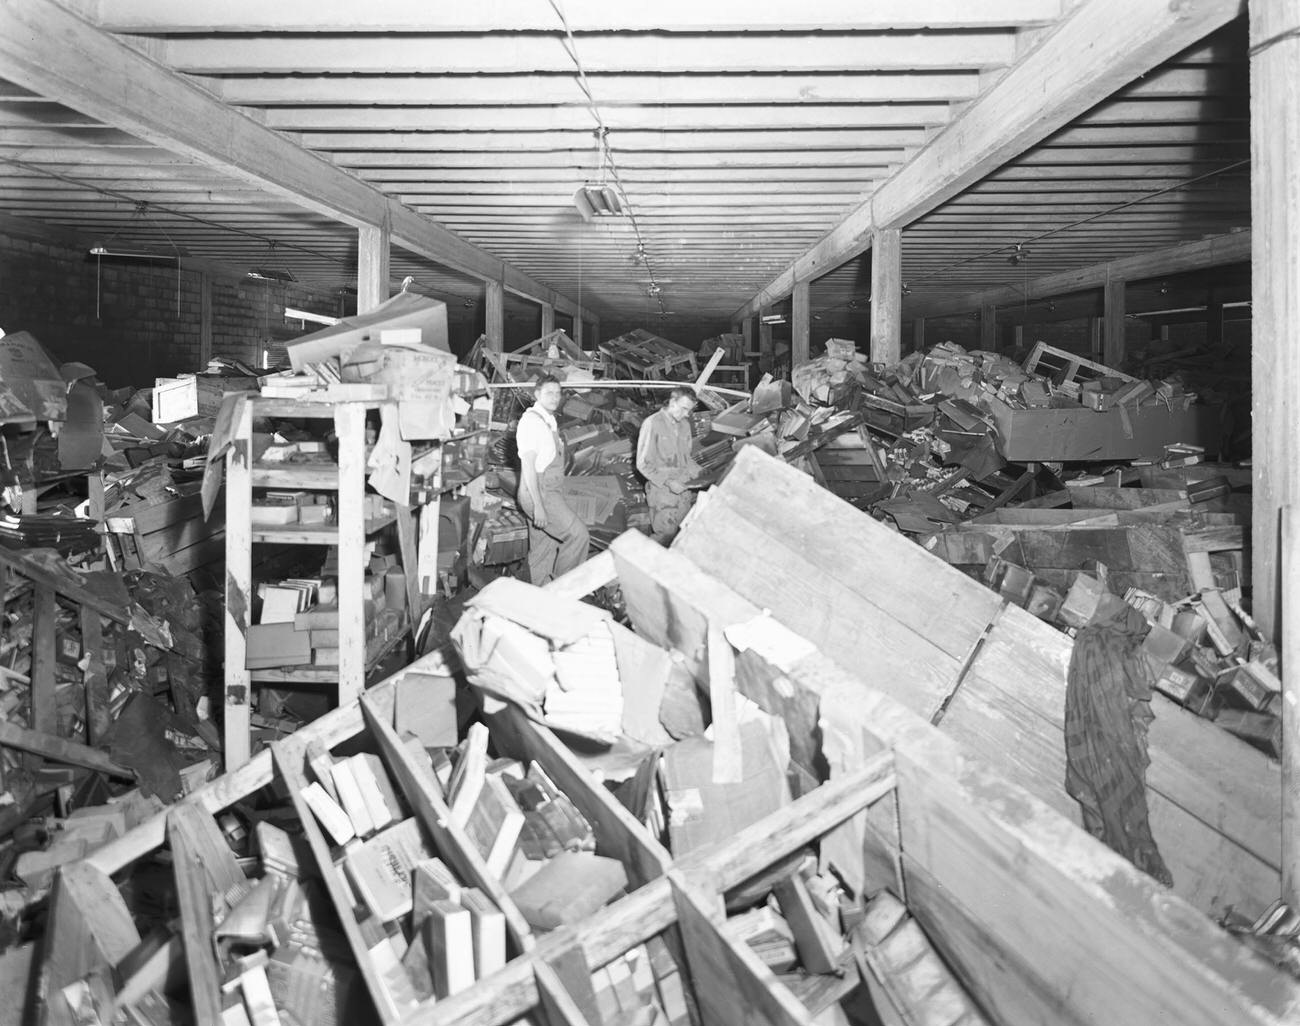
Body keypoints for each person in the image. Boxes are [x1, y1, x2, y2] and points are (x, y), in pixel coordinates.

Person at [516, 375, 589, 585]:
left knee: (542, 547)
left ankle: (541, 597)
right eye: (549, 392)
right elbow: (528, 467)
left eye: (558, 393)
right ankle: (563, 590)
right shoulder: (531, 422)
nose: (555, 397)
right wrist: (539, 506)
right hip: (538, 491)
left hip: (547, 489)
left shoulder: (548, 419)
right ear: (537, 394)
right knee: (578, 536)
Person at [636, 386, 704, 542]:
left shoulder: (685, 425)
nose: (687, 414)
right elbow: (643, 464)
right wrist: (668, 482)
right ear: (673, 402)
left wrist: (702, 473)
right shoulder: (652, 424)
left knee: (681, 536)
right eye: (684, 408)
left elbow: (686, 459)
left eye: (690, 410)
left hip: (684, 491)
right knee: (664, 537)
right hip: (663, 493)